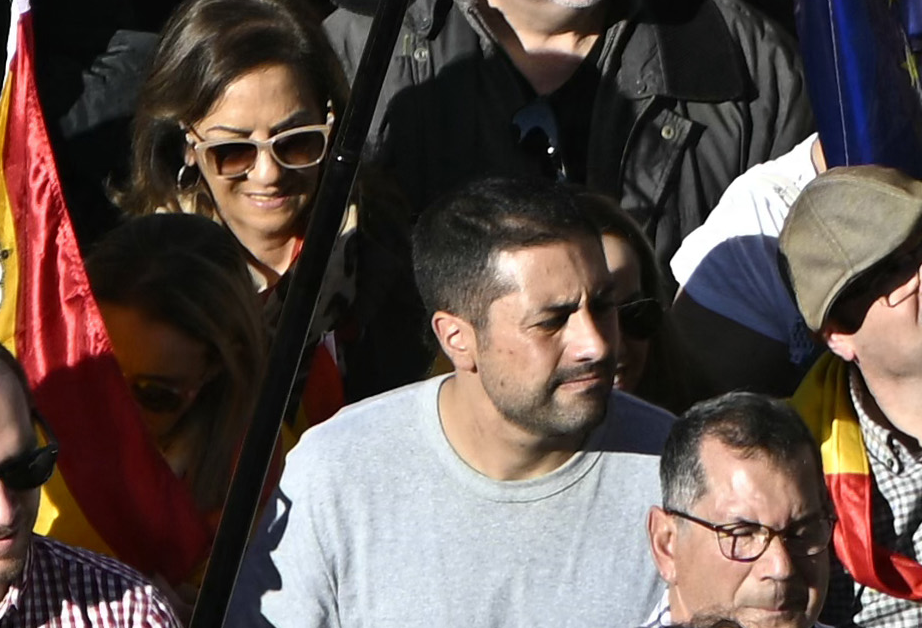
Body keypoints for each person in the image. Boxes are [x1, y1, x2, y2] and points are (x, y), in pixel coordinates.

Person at [256, 172, 691, 628]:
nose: (596, 345)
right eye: (552, 321)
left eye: (602, 306)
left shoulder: (680, 472)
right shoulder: (338, 473)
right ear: (457, 338)